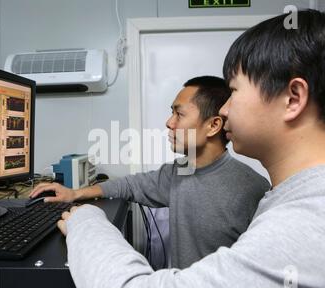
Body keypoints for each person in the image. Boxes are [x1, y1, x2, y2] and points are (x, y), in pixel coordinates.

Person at [55, 10, 325, 288]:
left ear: (293, 98)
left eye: (233, 91)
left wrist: (87, 221)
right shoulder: (315, 199)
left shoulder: (316, 225)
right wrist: (76, 193)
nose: (226, 108)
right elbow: (136, 184)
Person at [31, 76, 270, 269]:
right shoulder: (181, 171)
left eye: (180, 113)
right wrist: (74, 194)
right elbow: (132, 185)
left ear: (213, 125)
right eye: (171, 112)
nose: (169, 122)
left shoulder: (252, 190)